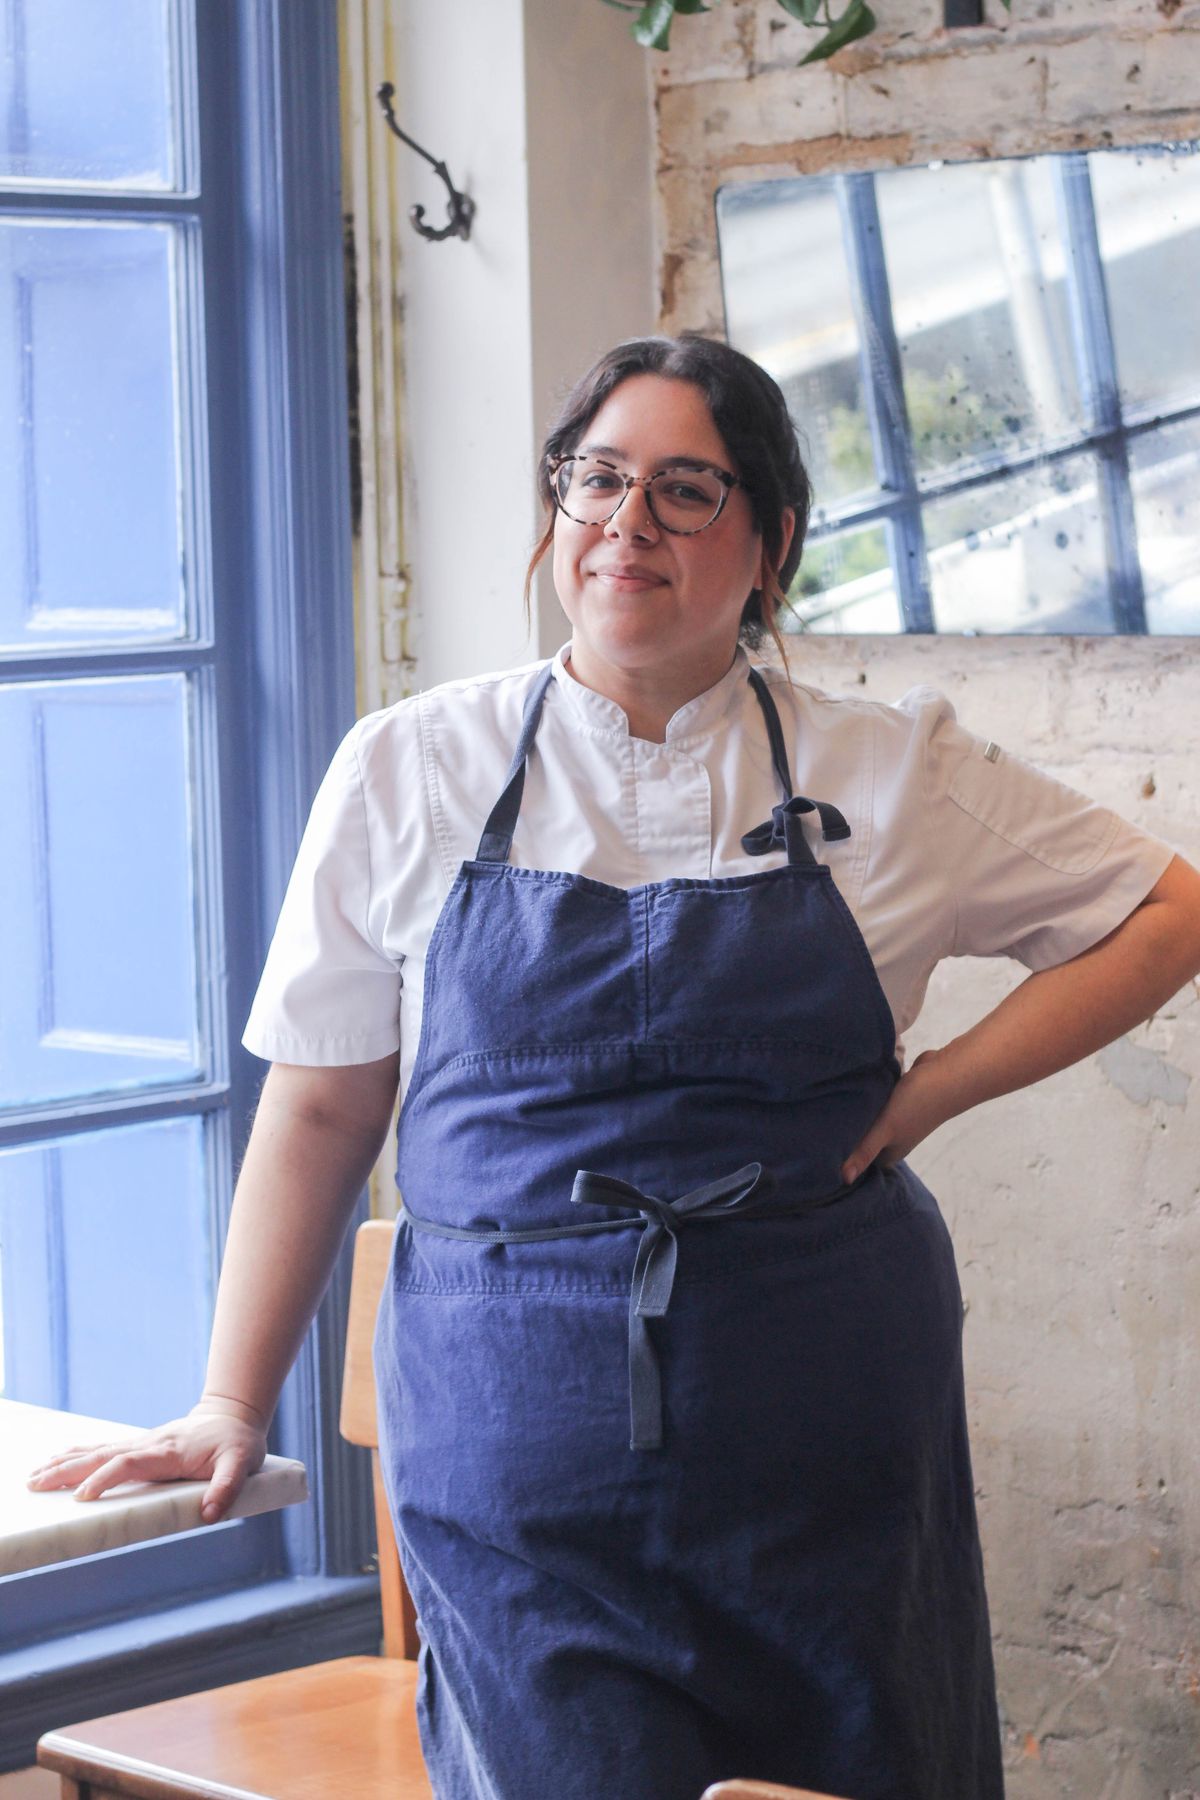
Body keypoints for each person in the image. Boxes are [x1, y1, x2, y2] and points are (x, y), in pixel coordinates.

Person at [29, 335, 1200, 1800]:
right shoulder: (410, 768)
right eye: (595, 478)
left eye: (686, 489)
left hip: (827, 1435)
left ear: (770, 544)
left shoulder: (892, 773)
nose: (625, 523)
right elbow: (323, 1097)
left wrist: (934, 1090)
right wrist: (228, 1401)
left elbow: (1168, 911)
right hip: (518, 1446)